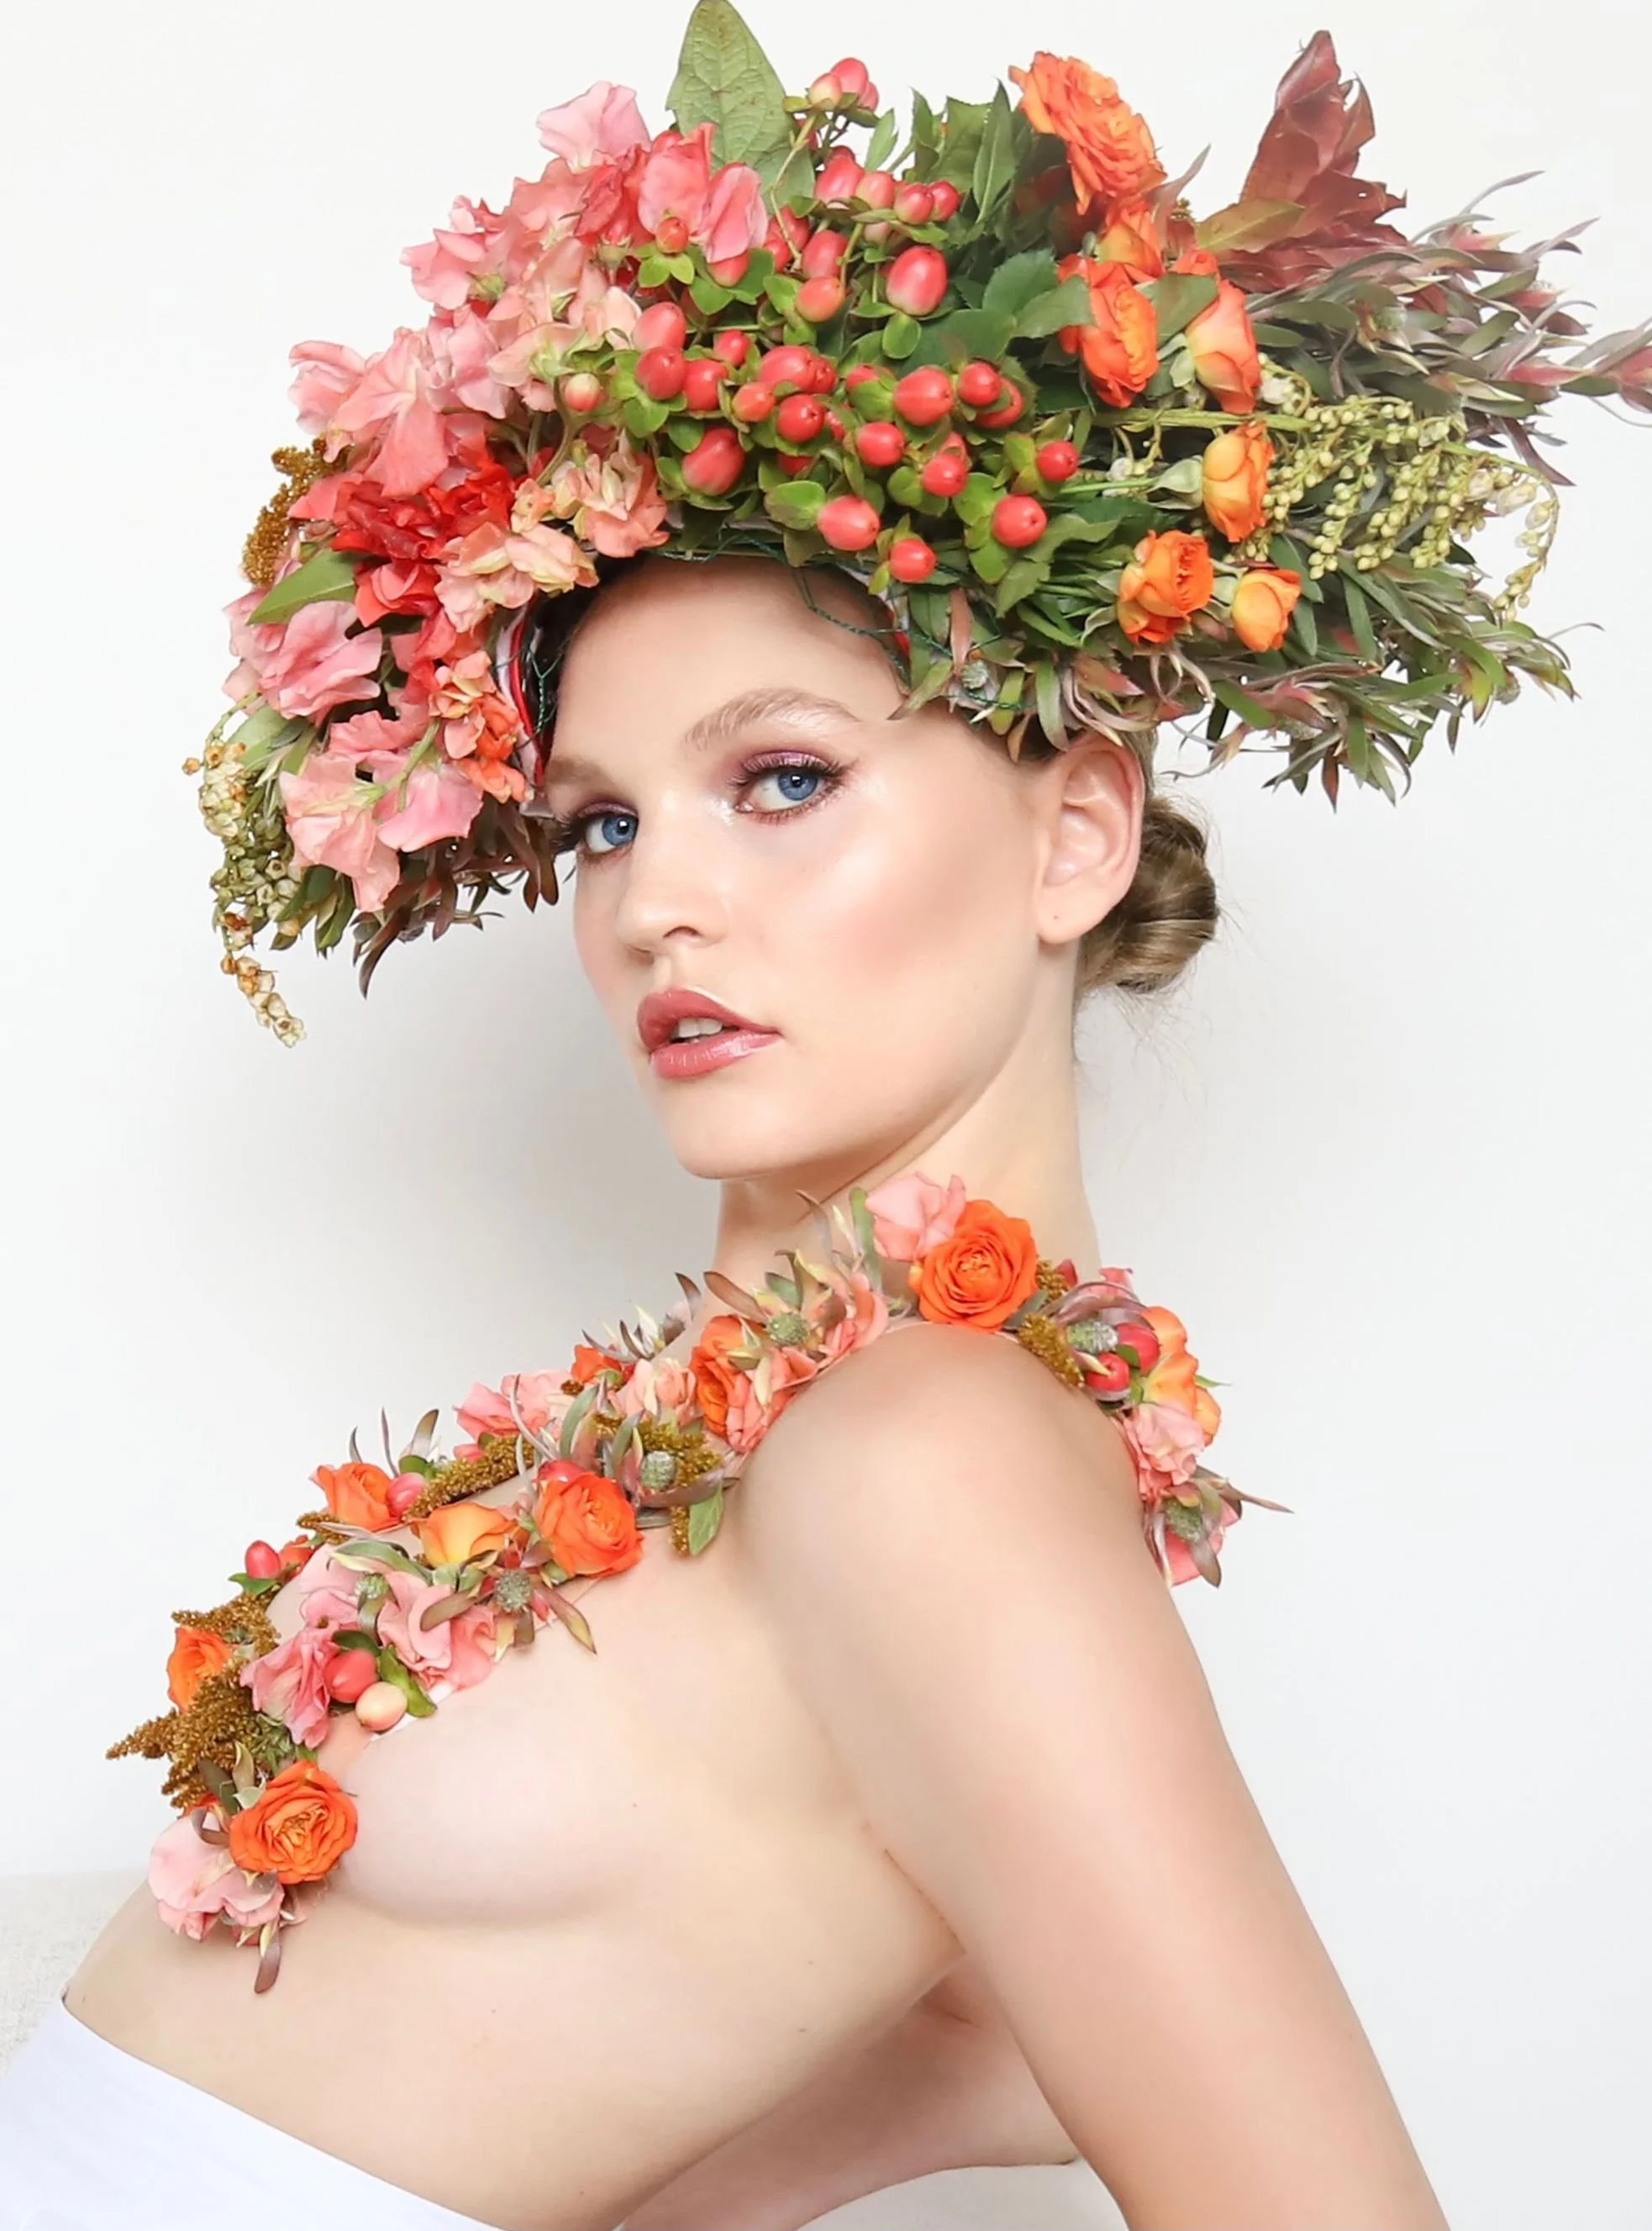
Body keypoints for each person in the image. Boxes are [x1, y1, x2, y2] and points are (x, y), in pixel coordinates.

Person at [3, 8, 1644, 2227]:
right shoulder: (756, 1424)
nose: (658, 896)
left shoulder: (922, 1449)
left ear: (1071, 834)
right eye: (596, 824)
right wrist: (912, 2093)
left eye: (782, 779)